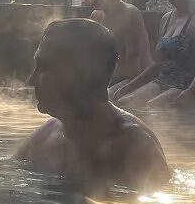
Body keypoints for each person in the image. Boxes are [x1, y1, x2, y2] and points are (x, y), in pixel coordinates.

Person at [15, 19, 171, 192]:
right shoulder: (46, 135)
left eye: (43, 67)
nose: (31, 80)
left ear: (78, 73)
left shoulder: (132, 146)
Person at [87, 0, 152, 93]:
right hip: (107, 76)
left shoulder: (129, 13)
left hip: (131, 78)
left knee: (102, 100)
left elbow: (135, 57)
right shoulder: (97, 15)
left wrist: (128, 87)